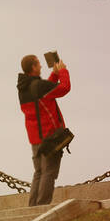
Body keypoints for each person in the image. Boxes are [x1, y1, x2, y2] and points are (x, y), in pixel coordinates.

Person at [16, 53, 70, 207]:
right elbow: (64, 88)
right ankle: (42, 206)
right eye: (38, 63)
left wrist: (54, 73)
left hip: (35, 139)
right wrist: (63, 71)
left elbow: (46, 90)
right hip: (49, 137)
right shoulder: (39, 86)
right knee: (49, 173)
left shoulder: (24, 88)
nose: (40, 66)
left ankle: (33, 206)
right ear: (33, 67)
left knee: (39, 172)